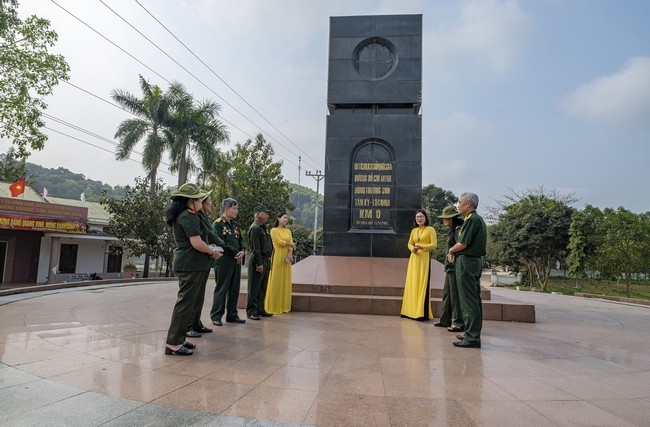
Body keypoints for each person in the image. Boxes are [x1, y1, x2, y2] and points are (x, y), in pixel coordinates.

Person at [164, 183, 222, 356]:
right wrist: (211, 251)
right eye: (198, 198)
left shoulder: (188, 215)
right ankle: (173, 342)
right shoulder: (188, 216)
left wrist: (209, 250)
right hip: (190, 264)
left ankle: (179, 339)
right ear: (191, 200)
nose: (201, 201)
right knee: (184, 304)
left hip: (193, 264)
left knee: (188, 304)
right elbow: (196, 243)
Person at [447, 192, 487, 349]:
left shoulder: (471, 220)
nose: (458, 205)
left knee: (468, 300)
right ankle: (471, 332)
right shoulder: (478, 220)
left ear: (468, 204)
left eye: (460, 202)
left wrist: (451, 250)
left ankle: (472, 337)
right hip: (474, 262)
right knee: (473, 299)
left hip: (467, 262)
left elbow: (462, 244)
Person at [186, 194, 226, 338]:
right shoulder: (194, 217)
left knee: (199, 296)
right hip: (195, 261)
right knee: (192, 297)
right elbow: (206, 236)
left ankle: (196, 323)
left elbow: (207, 237)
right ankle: (189, 326)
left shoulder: (201, 217)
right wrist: (224, 247)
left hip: (203, 260)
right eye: (209, 202)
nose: (210, 205)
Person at [210, 198, 246, 326]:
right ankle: (216, 315)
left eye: (237, 208)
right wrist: (235, 252)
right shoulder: (218, 224)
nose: (236, 211)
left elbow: (241, 241)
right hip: (224, 260)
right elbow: (220, 243)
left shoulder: (235, 225)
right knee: (222, 288)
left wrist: (242, 251)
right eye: (234, 208)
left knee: (234, 289)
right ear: (226, 209)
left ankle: (232, 315)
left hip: (236, 261)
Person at [400, 209, 437, 321]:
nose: (419, 219)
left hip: (424, 258)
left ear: (425, 218)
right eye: (417, 217)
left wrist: (422, 247)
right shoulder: (414, 231)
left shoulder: (430, 229)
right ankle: (409, 311)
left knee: (422, 282)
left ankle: (420, 312)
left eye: (421, 216)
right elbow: (410, 243)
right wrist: (412, 249)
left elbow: (434, 244)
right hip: (414, 258)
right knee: (412, 282)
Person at [434, 205, 465, 333]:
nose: (443, 221)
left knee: (454, 295)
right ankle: (445, 319)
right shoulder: (453, 230)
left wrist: (452, 251)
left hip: (454, 266)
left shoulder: (459, 230)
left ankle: (459, 322)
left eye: (445, 218)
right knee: (447, 294)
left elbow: (461, 244)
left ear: (451, 219)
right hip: (449, 267)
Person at [265, 212, 296, 314]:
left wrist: (290, 252)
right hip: (278, 256)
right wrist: (290, 244)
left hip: (286, 257)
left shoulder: (288, 231)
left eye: (287, 218)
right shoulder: (274, 230)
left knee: (285, 280)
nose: (286, 219)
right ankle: (274, 306)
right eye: (284, 217)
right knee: (276, 280)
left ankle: (284, 306)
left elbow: (292, 244)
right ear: (278, 218)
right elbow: (278, 242)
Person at [246, 205, 274, 320]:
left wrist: (268, 261)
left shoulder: (263, 227)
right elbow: (255, 247)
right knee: (254, 287)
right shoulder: (255, 228)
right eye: (265, 213)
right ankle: (251, 311)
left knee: (262, 287)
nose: (267, 215)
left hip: (265, 260)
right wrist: (259, 263)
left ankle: (260, 309)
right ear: (258, 214)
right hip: (259, 260)